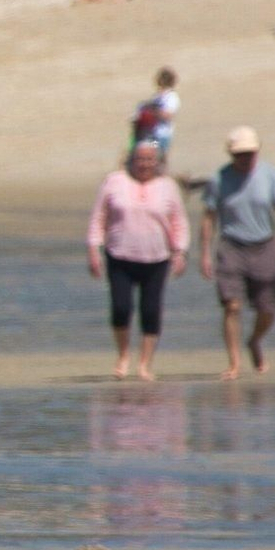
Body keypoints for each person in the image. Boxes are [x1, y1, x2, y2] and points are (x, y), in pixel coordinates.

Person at [86, 141, 189, 381]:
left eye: (150, 159)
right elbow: (99, 217)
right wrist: (93, 249)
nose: (144, 164)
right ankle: (123, 357)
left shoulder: (168, 186)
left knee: (150, 310)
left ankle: (145, 364)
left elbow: (179, 222)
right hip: (119, 254)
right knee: (121, 307)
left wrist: (180, 252)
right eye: (140, 159)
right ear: (131, 160)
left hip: (157, 257)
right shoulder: (114, 181)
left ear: (158, 162)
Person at [200, 127, 275, 381]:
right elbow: (208, 218)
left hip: (264, 244)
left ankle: (254, 340)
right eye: (240, 154)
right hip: (231, 245)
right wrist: (205, 254)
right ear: (231, 154)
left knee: (268, 306)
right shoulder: (219, 179)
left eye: (250, 153)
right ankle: (234, 363)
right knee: (232, 305)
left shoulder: (271, 176)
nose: (245, 158)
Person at [131, 67, 179, 157]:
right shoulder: (157, 96)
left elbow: (168, 115)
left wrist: (153, 111)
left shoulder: (172, 97)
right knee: (153, 155)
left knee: (160, 157)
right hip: (152, 134)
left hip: (162, 134)